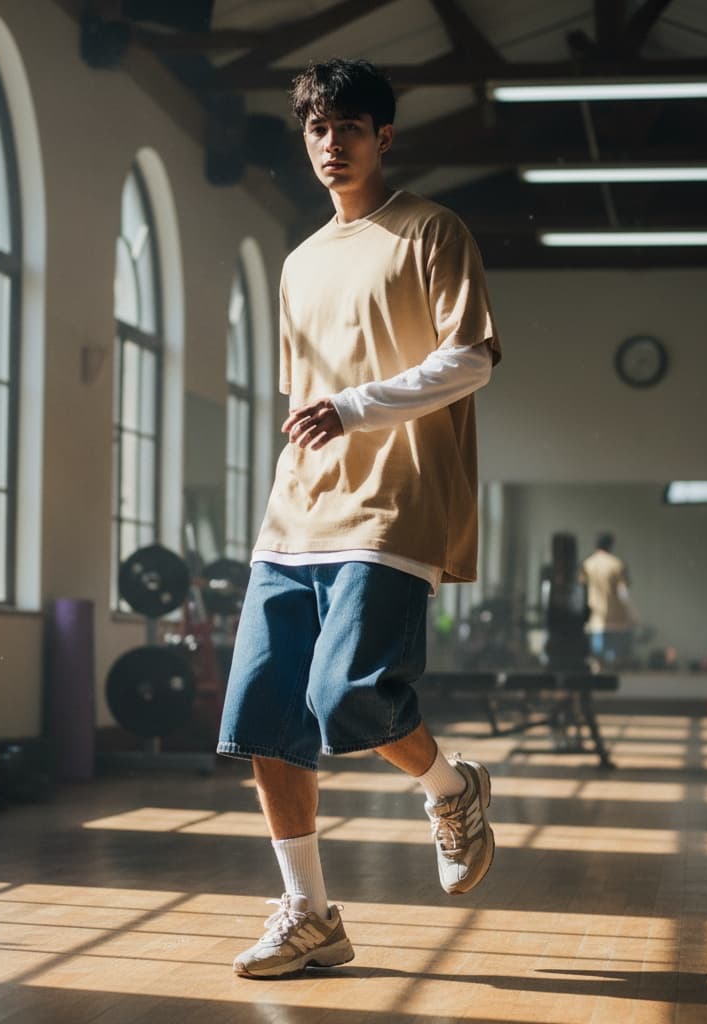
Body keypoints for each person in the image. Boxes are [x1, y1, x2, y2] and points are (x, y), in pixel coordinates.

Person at [216, 57, 502, 979]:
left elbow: (473, 358)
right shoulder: (299, 263)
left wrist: (354, 408)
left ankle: (451, 789)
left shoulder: (431, 231)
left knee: (346, 697)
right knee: (264, 719)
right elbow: (304, 393)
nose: (331, 144)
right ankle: (310, 915)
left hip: (394, 508)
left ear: (385, 136)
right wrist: (319, 420)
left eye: (348, 127)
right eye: (316, 130)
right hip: (294, 518)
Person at [579, 532, 635, 666]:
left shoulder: (587, 564)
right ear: (611, 545)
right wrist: (631, 613)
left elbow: (581, 589)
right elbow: (623, 592)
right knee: (613, 659)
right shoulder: (617, 564)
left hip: (594, 618)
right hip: (615, 618)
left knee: (596, 658)